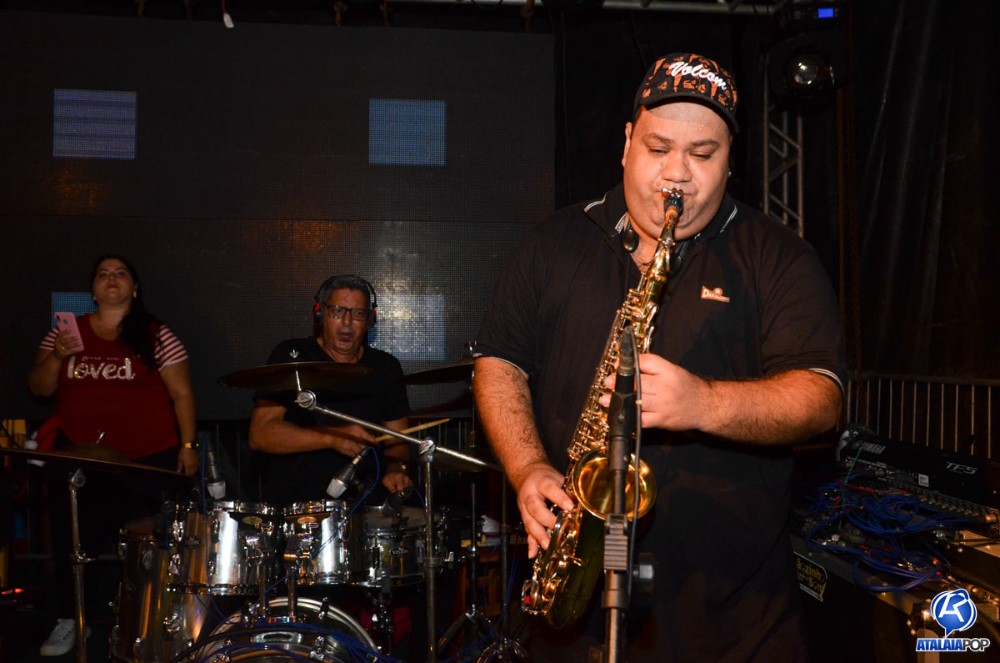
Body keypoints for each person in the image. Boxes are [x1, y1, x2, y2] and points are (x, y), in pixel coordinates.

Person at [473, 52, 846, 662]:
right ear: (626, 144)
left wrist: (704, 403)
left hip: (734, 623)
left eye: (702, 154)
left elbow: (821, 398)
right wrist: (527, 466)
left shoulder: (779, 257)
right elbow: (500, 362)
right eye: (658, 148)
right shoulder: (553, 243)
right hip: (575, 624)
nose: (677, 174)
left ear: (731, 160)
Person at [27, 254, 198, 656]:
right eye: (103, 274)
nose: (111, 279)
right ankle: (72, 619)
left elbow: (182, 393)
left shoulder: (156, 334)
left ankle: (152, 621)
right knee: (72, 545)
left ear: (135, 289)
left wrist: (188, 445)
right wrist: (57, 355)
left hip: (145, 459)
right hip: (82, 459)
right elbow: (39, 388)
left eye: (121, 274)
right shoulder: (67, 332)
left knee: (147, 547)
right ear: (93, 290)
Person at [248, 274, 413, 507]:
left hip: (363, 508)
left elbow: (399, 441)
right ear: (320, 314)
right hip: (294, 508)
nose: (347, 322)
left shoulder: (385, 367)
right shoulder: (292, 356)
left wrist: (396, 467)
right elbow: (260, 434)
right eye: (337, 311)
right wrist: (332, 438)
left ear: (369, 320)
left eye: (358, 313)